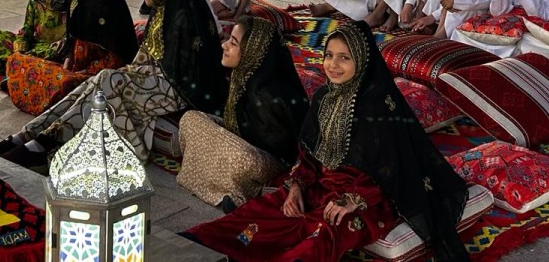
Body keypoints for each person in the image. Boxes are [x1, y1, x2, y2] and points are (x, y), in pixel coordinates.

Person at [184, 21, 471, 262]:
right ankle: (195, 246)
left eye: (344, 57)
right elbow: (309, 153)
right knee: (264, 211)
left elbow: (393, 166)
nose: (333, 65)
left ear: (361, 60)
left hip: (366, 200)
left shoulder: (376, 105)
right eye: (329, 55)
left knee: (323, 233)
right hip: (318, 186)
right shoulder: (324, 97)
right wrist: (297, 186)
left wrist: (352, 200)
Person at [0, 0, 227, 166]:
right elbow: (145, 60)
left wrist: (129, 76)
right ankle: (31, 133)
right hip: (153, 80)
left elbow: (180, 77)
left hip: (175, 90)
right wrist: (132, 74)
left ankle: (47, 141)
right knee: (96, 83)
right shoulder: (163, 12)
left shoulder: (184, 22)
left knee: (107, 79)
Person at [0, 0, 139, 149]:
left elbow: (113, 58)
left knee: (59, 83)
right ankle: (30, 133)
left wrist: (76, 67)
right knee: (17, 59)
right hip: (75, 66)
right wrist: (67, 56)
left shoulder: (100, 3)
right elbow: (67, 40)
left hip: (96, 76)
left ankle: (36, 139)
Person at [177, 16, 310, 211]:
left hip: (265, 162)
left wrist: (225, 143)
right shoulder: (244, 75)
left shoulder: (269, 94)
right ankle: (225, 183)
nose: (225, 46)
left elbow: (282, 150)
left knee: (243, 160)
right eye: (229, 39)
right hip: (239, 144)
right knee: (191, 119)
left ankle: (235, 194)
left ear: (251, 52)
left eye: (233, 43)